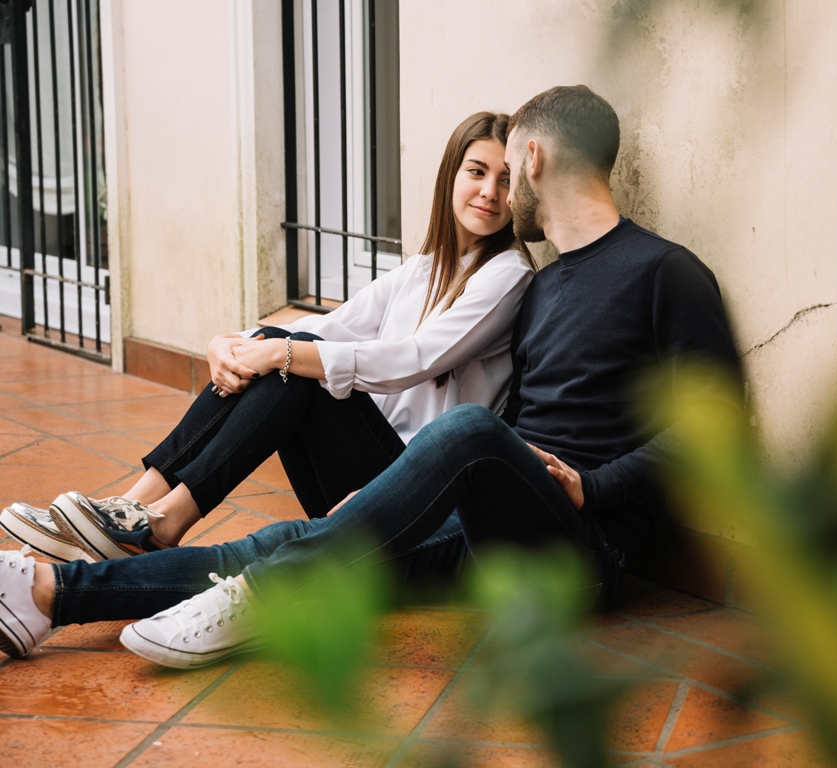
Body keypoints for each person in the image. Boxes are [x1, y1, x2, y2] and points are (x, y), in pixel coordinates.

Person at [0, 85, 741, 669]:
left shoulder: (664, 272)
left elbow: (719, 431)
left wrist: (595, 486)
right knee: (290, 540)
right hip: (490, 533)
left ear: (535, 157)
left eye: (509, 167)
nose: (501, 188)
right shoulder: (547, 285)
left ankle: (258, 591)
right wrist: (395, 487)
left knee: (468, 435)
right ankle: (45, 595)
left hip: (580, 553)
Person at [0, 111, 534, 562]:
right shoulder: (426, 268)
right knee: (289, 351)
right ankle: (130, 508)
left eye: (506, 179)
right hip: (361, 480)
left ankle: (157, 524)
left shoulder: (509, 274)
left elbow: (412, 359)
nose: (490, 191)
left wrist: (278, 350)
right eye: (477, 171)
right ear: (450, 176)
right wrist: (230, 343)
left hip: (413, 497)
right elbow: (327, 326)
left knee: (294, 363)